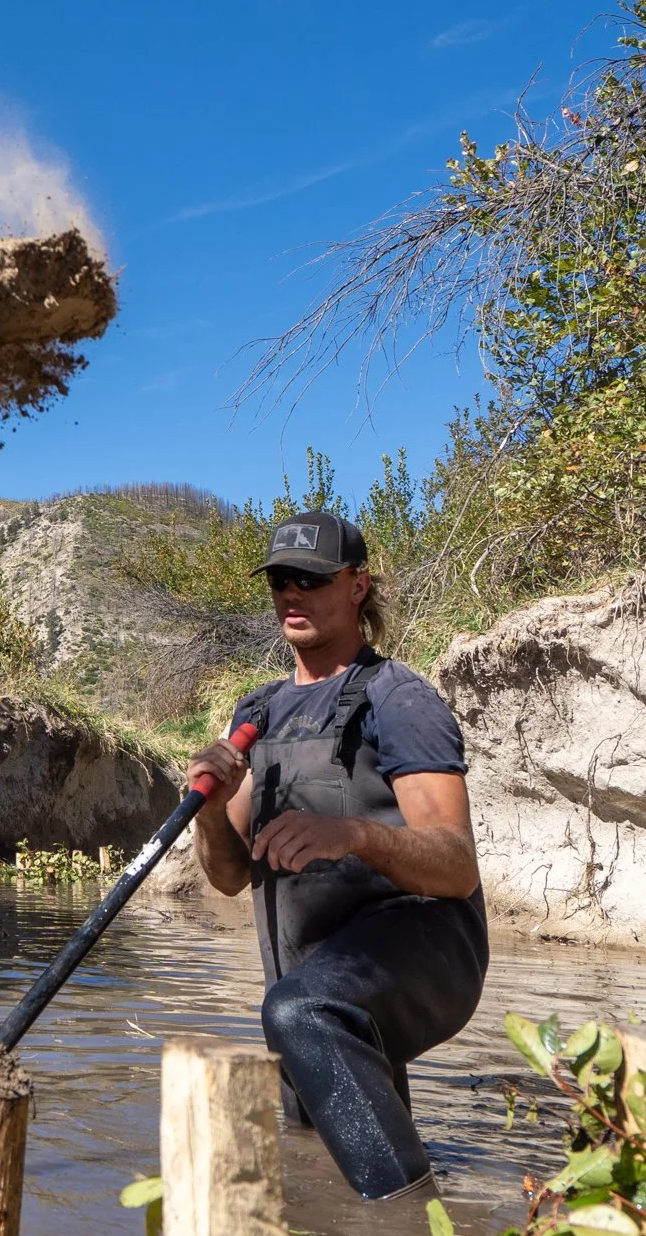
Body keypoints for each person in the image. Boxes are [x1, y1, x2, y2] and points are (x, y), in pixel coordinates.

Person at [188, 508, 487, 1200]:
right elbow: (229, 876)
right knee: (319, 1153)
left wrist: (352, 834)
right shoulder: (254, 713)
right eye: (279, 580)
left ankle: (410, 1232)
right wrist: (207, 809)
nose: (292, 592)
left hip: (430, 949)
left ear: (357, 585)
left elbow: (455, 864)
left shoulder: (398, 697)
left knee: (302, 1014)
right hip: (313, 973)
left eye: (313, 577)